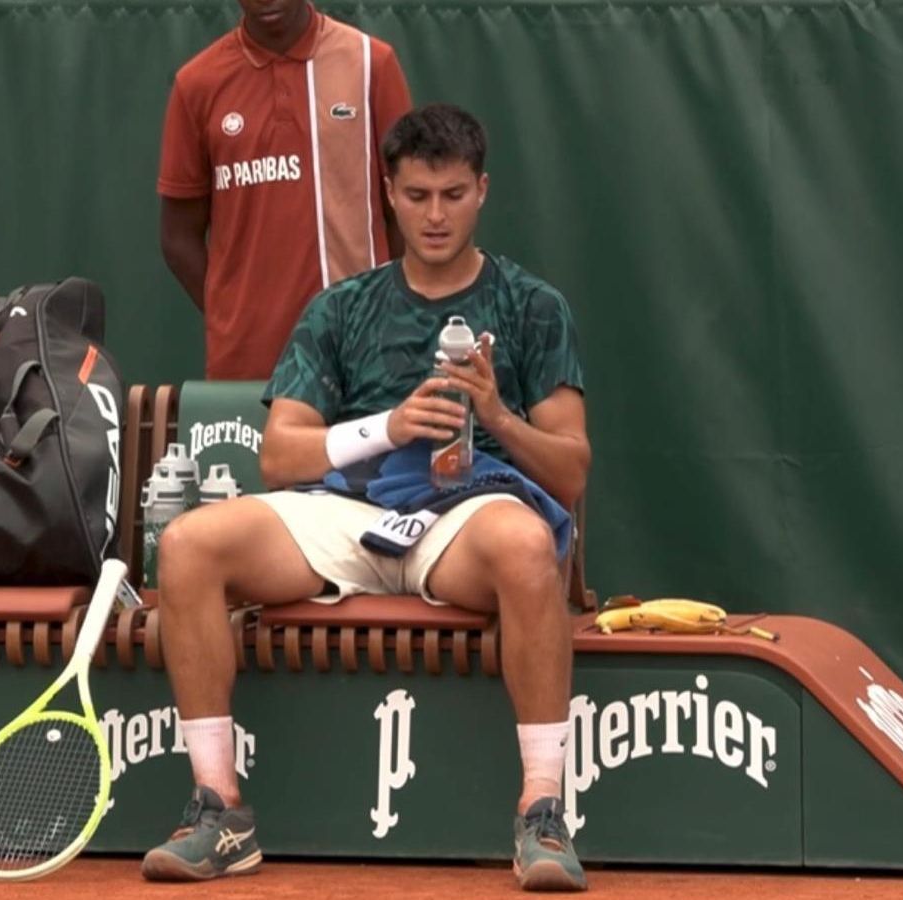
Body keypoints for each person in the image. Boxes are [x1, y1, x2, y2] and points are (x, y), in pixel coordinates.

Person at [141, 104, 590, 892]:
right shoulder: (342, 308)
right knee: (187, 546)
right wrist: (387, 425)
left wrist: (494, 417)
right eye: (418, 196)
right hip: (351, 513)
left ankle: (543, 813)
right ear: (388, 192)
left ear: (483, 190)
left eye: (453, 194)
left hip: (466, 514)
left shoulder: (532, 306)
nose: (436, 215)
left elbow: (572, 470)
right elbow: (281, 455)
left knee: (526, 548)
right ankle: (220, 812)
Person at [157, 0, 412, 379]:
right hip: (246, 366)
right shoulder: (197, 83)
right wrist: (233, 318)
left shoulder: (371, 63)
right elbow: (178, 237)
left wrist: (388, 313)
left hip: (360, 354)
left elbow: (406, 209)